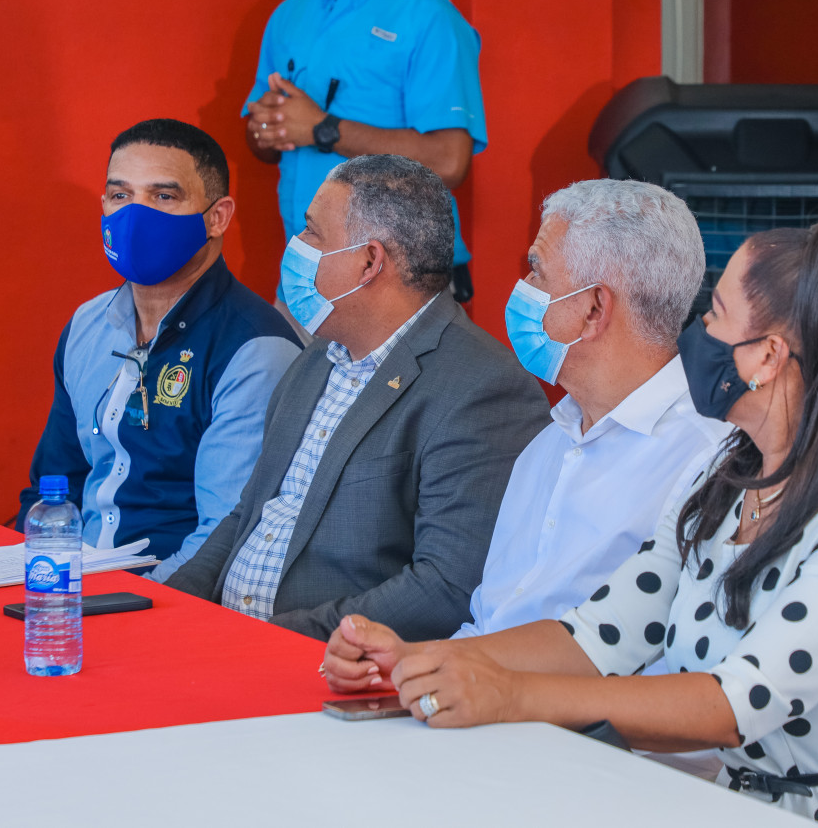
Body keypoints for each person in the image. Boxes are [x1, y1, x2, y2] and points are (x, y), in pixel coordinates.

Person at [325, 206, 818, 827]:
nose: (695, 332)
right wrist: (425, 662)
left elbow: (734, 705)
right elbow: (599, 634)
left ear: (767, 357)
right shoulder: (730, 473)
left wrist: (509, 696)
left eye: (716, 315)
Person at [167, 154, 549, 641]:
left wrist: (270, 641)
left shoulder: (482, 388)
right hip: (232, 644)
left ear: (369, 261)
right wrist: (173, 612)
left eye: (312, 232)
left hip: (325, 662)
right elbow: (248, 515)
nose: (296, 246)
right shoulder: (316, 357)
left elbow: (446, 588)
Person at [19, 119, 302, 582]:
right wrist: (38, 581)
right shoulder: (87, 325)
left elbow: (225, 536)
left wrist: (130, 604)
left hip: (172, 597)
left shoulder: (255, 349)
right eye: (120, 195)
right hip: (73, 589)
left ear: (217, 217)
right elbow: (53, 490)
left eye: (164, 196)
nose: (135, 215)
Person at [454, 179, 729, 641]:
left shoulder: (707, 462)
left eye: (537, 272)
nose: (523, 288)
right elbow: (487, 621)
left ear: (594, 308)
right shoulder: (549, 443)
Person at [245, 0, 485, 312]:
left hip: (396, 287)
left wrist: (323, 129)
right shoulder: (291, 11)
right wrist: (267, 127)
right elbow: (260, 139)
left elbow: (449, 161)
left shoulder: (430, 14)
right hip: (300, 282)